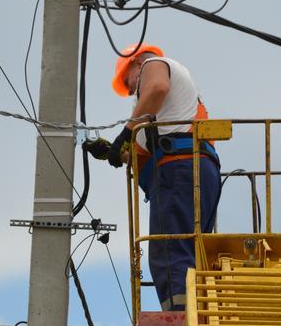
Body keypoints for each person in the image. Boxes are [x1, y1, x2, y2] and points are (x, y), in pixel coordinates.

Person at [84, 43, 222, 311]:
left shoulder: (155, 65)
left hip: (178, 171)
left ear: (136, 63)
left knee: (168, 251)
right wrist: (115, 153)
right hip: (192, 170)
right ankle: (196, 315)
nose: (130, 91)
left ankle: (181, 324)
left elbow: (156, 87)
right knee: (188, 251)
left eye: (128, 83)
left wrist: (126, 130)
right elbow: (150, 151)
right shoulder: (171, 110)